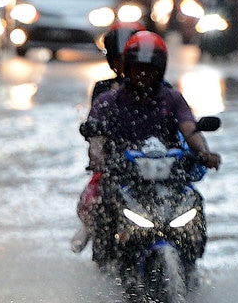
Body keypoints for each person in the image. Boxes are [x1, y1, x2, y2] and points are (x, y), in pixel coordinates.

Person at [81, 32, 220, 265]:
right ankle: (107, 266)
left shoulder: (173, 98)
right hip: (123, 176)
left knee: (193, 200)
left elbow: (190, 129)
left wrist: (204, 153)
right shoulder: (107, 101)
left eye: (149, 69)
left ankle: (190, 256)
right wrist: (98, 159)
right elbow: (97, 139)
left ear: (161, 69)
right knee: (104, 206)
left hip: (168, 177)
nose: (143, 74)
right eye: (137, 69)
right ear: (127, 68)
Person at [71, 21, 146, 252]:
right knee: (97, 200)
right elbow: (96, 130)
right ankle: (100, 243)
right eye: (119, 60)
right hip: (118, 162)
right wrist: (98, 157)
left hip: (154, 159)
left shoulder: (162, 89)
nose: (125, 66)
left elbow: (181, 127)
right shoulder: (104, 92)